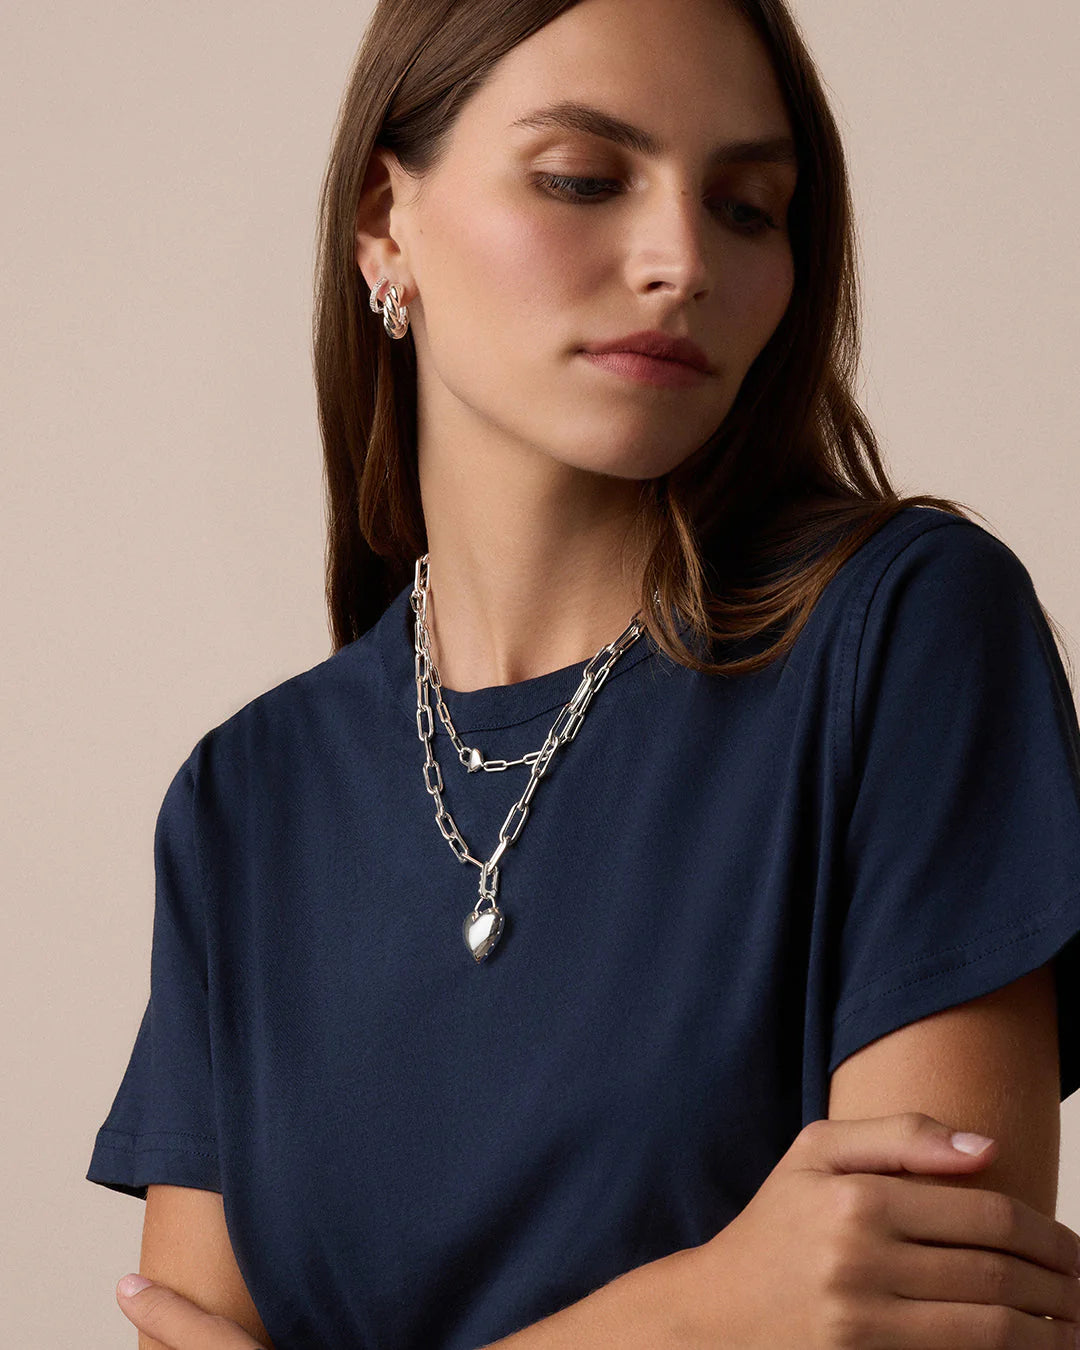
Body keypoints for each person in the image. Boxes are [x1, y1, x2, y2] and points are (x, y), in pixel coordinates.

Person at [87, 0, 1080, 1346]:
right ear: (385, 221)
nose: (681, 261)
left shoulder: (904, 636)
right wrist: (697, 1313)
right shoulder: (244, 804)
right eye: (581, 179)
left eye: (746, 207)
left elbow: (942, 1322)